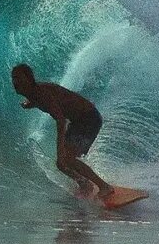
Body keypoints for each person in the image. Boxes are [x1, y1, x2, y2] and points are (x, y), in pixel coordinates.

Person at [11, 63, 117, 201]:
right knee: (62, 164)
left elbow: (61, 120)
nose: (15, 82)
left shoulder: (40, 94)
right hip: (78, 121)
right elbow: (48, 101)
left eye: (19, 78)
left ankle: (105, 187)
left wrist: (60, 147)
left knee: (66, 159)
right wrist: (29, 104)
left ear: (29, 79)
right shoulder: (34, 94)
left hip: (88, 118)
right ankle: (85, 184)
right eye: (14, 78)